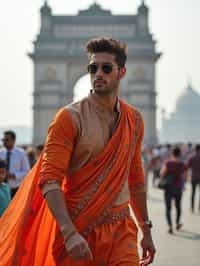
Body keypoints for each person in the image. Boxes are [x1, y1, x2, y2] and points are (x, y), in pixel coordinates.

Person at [0, 37, 155, 266]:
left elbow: (135, 179)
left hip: (122, 230)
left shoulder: (134, 120)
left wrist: (146, 228)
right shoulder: (69, 118)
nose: (98, 73)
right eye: (93, 68)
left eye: (106, 68)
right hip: (78, 230)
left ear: (122, 72)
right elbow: (50, 179)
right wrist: (69, 232)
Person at [160, 146, 187, 234]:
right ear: (180, 154)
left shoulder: (168, 163)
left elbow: (162, 173)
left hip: (168, 188)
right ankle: (177, 223)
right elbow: (185, 176)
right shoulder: (182, 164)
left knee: (168, 208)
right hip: (178, 188)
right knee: (178, 206)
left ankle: (170, 226)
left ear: (172, 153)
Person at [0, 130, 30, 198]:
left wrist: (14, 175)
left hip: (16, 189)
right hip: (2, 189)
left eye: (7, 140)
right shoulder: (1, 153)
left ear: (14, 140)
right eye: (3, 140)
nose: (4, 142)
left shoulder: (21, 153)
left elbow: (27, 172)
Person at [187, 144, 200, 213]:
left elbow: (187, 167)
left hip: (194, 177)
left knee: (193, 193)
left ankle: (192, 207)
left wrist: (187, 177)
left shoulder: (191, 157)